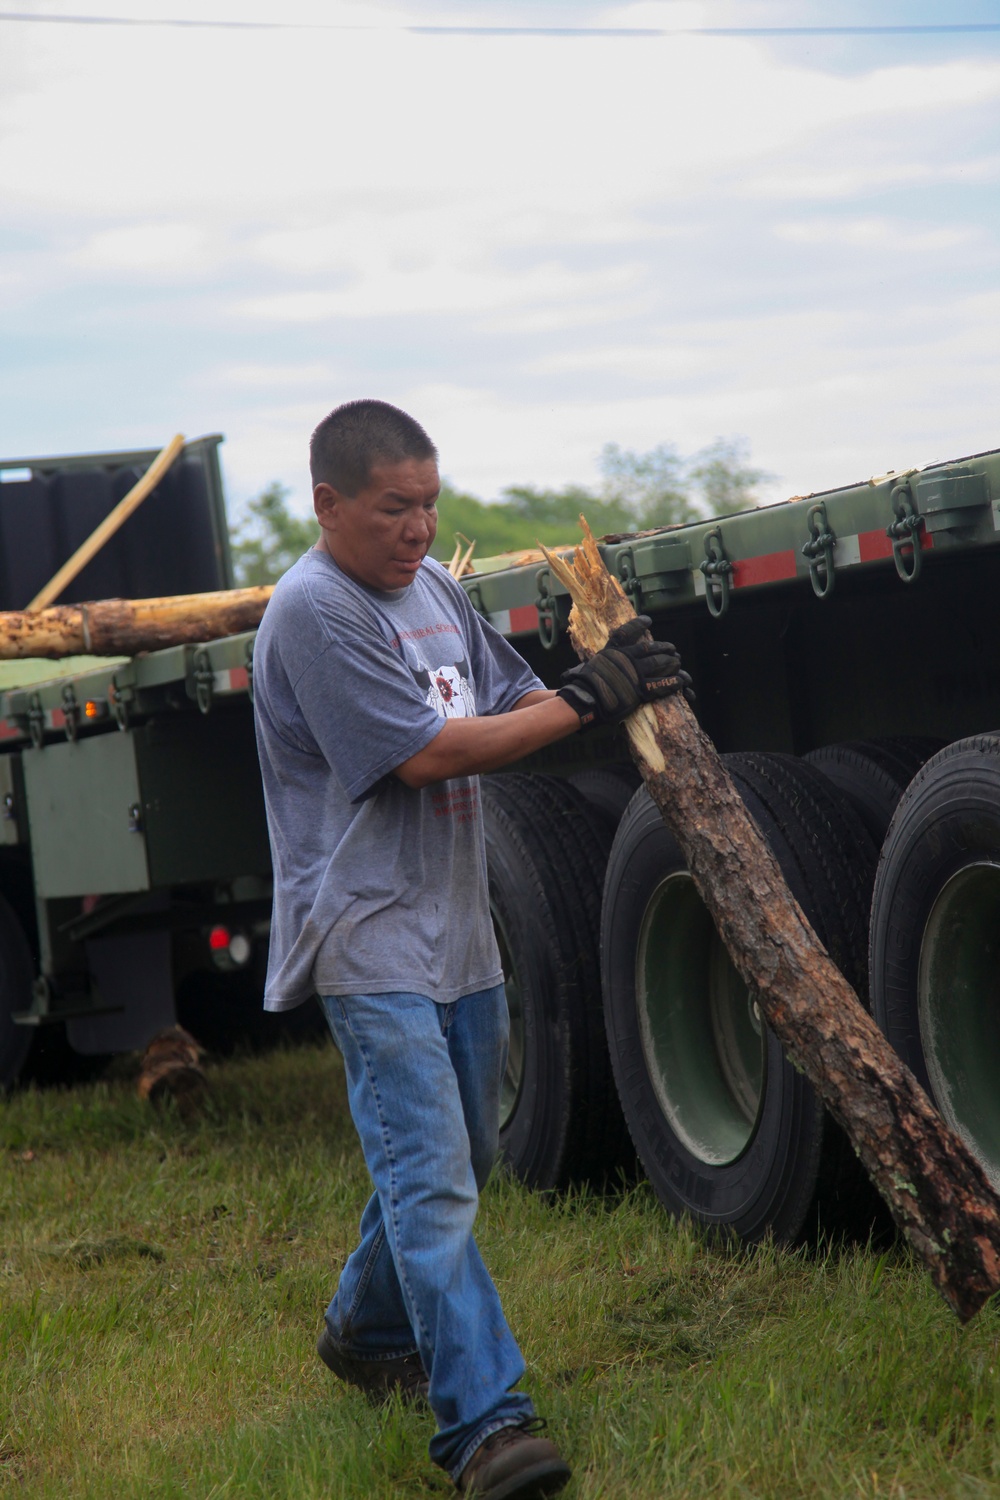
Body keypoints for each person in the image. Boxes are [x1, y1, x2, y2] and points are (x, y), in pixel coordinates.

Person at [252, 399, 688, 1499]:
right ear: (329, 504)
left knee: (456, 1166)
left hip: (458, 930)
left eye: (429, 503)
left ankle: (362, 1329)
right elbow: (430, 755)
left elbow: (512, 700)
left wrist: (613, 674)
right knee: (433, 1185)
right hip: (367, 937)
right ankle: (487, 1428)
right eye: (394, 507)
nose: (417, 527)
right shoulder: (313, 611)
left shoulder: (434, 592)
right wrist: (591, 703)